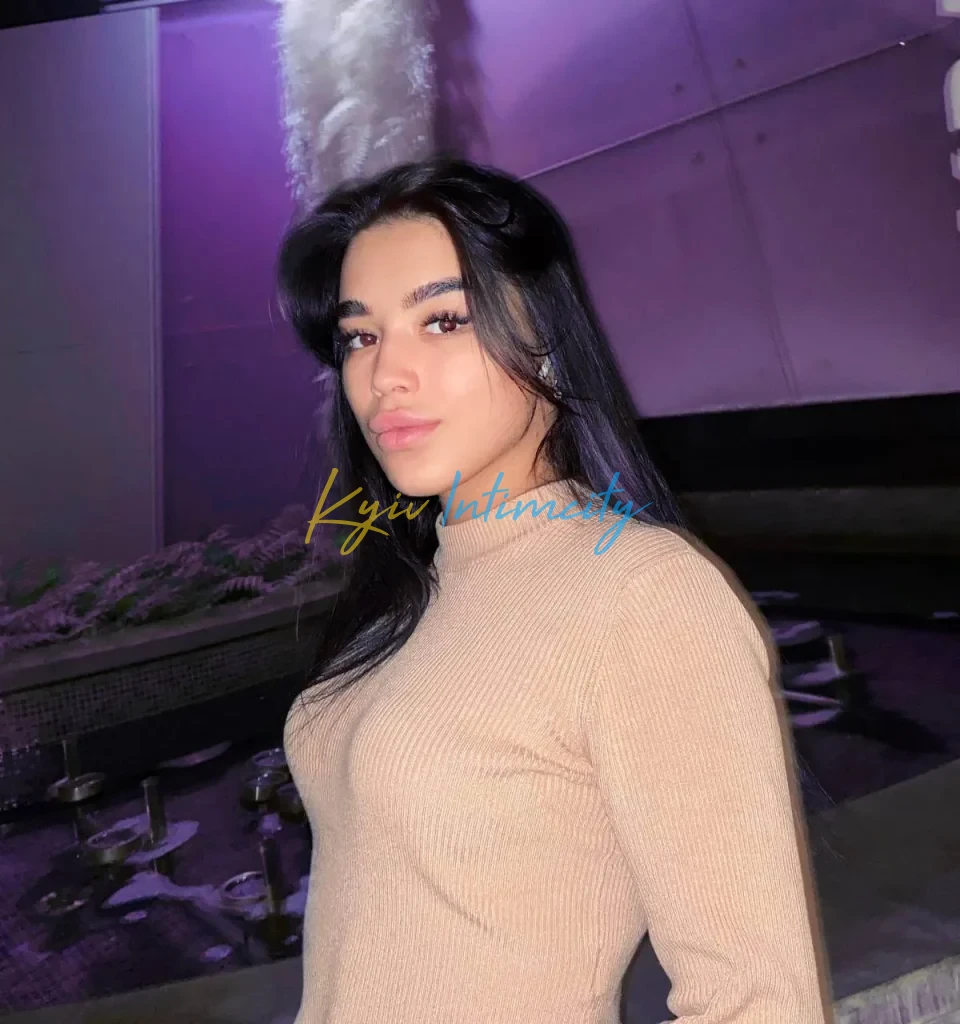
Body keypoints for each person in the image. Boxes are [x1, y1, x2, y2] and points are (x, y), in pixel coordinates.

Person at [277, 157, 831, 1024]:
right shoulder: (412, 590)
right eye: (360, 337)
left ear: (547, 336)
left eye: (443, 320)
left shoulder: (642, 595)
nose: (385, 376)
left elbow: (759, 1004)